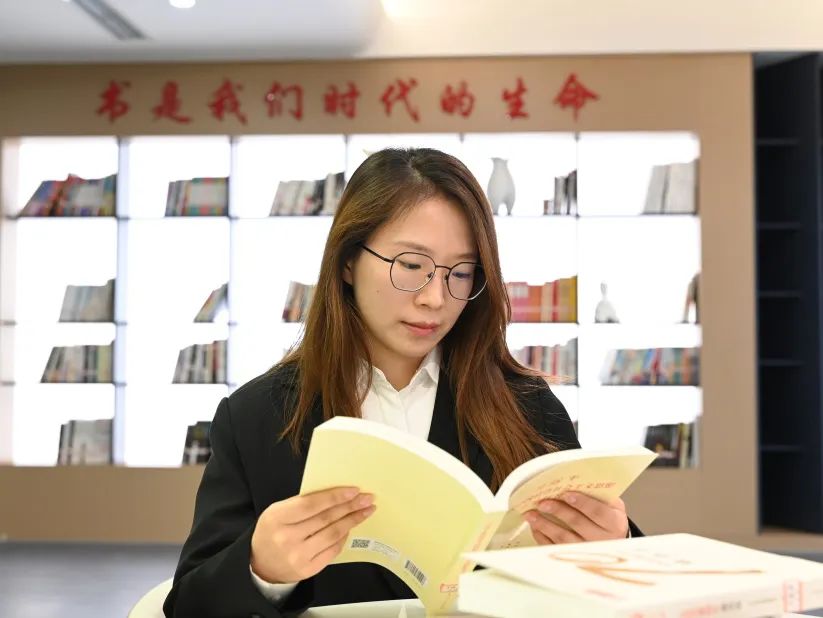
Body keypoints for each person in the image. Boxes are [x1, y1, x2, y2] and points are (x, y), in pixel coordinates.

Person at [163, 148, 640, 618]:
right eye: (411, 266)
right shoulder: (256, 415)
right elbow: (189, 605)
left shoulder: (528, 406)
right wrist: (261, 568)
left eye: (461, 273)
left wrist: (613, 544)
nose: (435, 298)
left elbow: (618, 583)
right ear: (348, 261)